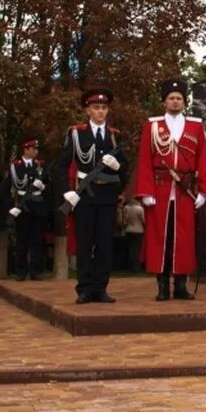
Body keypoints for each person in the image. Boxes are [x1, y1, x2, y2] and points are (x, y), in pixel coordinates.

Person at [135, 79, 206, 301]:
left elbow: (202, 160)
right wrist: (145, 192)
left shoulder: (196, 126)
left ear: (184, 101)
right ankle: (162, 287)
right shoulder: (152, 126)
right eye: (171, 98)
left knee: (184, 239)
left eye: (179, 98)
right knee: (161, 238)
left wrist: (204, 191)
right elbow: (144, 161)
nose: (175, 102)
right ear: (164, 101)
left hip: (184, 190)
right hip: (159, 189)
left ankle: (180, 285)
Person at [56, 87, 128, 304]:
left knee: (105, 244)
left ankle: (101, 288)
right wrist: (67, 191)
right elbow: (61, 166)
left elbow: (125, 167)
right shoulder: (76, 133)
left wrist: (118, 165)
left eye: (104, 108)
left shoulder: (115, 135)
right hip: (84, 196)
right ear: (87, 110)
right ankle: (85, 289)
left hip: (106, 196)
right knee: (85, 244)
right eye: (96, 107)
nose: (100, 112)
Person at [0, 135, 49, 281]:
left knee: (37, 240)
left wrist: (44, 187)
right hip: (21, 206)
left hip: (37, 206)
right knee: (21, 241)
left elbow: (49, 189)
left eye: (36, 149)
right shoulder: (15, 167)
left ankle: (36, 271)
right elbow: (5, 189)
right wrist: (10, 207)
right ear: (26, 149)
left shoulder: (40, 166)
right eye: (33, 149)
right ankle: (20, 271)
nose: (35, 151)